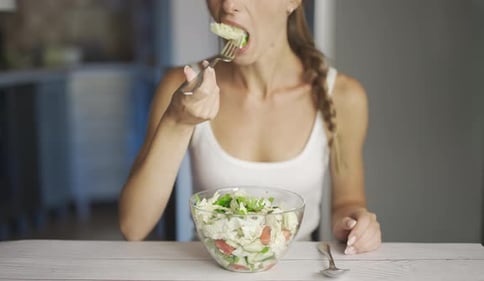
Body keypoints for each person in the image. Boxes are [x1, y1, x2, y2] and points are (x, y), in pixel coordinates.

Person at [119, 0, 381, 255]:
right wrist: (176, 122)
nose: (228, 5)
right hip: (207, 268)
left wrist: (356, 224)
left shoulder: (344, 96)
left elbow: (347, 204)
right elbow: (133, 226)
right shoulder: (182, 87)